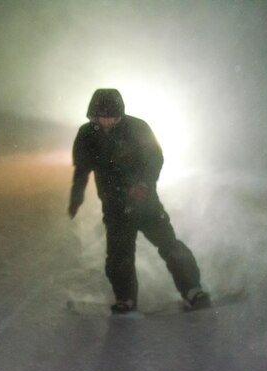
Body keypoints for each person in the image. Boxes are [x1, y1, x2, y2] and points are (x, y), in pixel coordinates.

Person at [68, 88, 211, 314]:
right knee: (118, 255)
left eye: (111, 116)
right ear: (92, 115)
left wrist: (144, 184)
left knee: (169, 245)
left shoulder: (138, 128)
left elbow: (155, 158)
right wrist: (76, 197)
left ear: (120, 114)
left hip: (146, 205)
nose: (106, 121)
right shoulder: (86, 135)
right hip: (113, 205)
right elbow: (82, 169)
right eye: (101, 116)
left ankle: (193, 291)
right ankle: (125, 299)